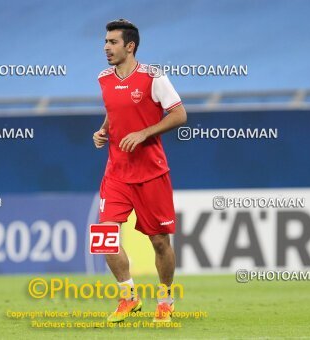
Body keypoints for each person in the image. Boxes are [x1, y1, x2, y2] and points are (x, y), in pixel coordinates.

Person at [93, 18, 187, 323]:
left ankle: (165, 298)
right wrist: (103, 130)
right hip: (116, 173)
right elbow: (113, 109)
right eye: (106, 42)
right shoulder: (104, 79)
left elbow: (180, 114)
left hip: (151, 173)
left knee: (159, 242)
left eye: (113, 42)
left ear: (130, 46)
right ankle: (128, 297)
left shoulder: (153, 77)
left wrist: (144, 133)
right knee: (105, 236)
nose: (106, 47)